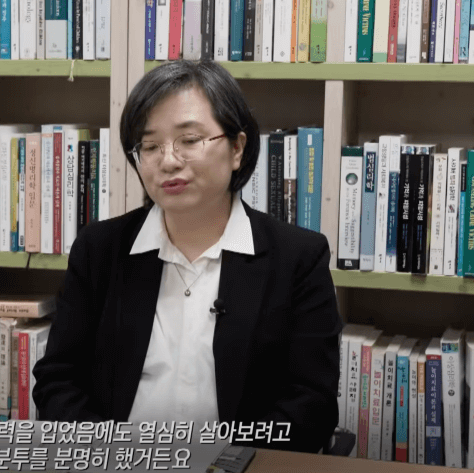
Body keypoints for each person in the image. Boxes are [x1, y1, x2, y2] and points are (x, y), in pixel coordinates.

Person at [32, 60, 342, 453]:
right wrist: (110, 455)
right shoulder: (99, 249)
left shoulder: (298, 257)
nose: (168, 161)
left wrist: (218, 463)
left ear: (237, 148)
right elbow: (58, 381)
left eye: (189, 140)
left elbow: (310, 406)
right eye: (150, 146)